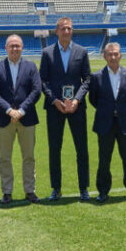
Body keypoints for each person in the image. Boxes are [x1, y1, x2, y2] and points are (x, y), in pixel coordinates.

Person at [39, 17, 91, 201]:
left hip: (77, 108)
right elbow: (42, 81)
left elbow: (87, 80)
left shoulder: (82, 51)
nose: (66, 31)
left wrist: (76, 100)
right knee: (55, 149)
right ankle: (56, 188)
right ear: (57, 31)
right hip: (55, 108)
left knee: (81, 149)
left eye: (69, 28)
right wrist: (54, 101)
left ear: (72, 30)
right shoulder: (47, 53)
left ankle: (84, 188)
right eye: (63, 29)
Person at [0, 34, 42, 205]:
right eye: (11, 46)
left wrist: (22, 110)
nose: (14, 49)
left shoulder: (31, 66)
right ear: (6, 48)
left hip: (27, 118)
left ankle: (30, 190)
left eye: (17, 46)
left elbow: (36, 90)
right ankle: (7, 191)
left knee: (29, 157)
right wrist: (10, 110)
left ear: (22, 47)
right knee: (5, 157)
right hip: (4, 119)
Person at [89, 43, 126, 203]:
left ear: (120, 55)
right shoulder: (96, 76)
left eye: (116, 54)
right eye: (110, 54)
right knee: (104, 159)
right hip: (104, 123)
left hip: (124, 123)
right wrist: (107, 111)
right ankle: (103, 191)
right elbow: (93, 99)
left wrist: (120, 111)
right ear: (104, 56)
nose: (113, 57)